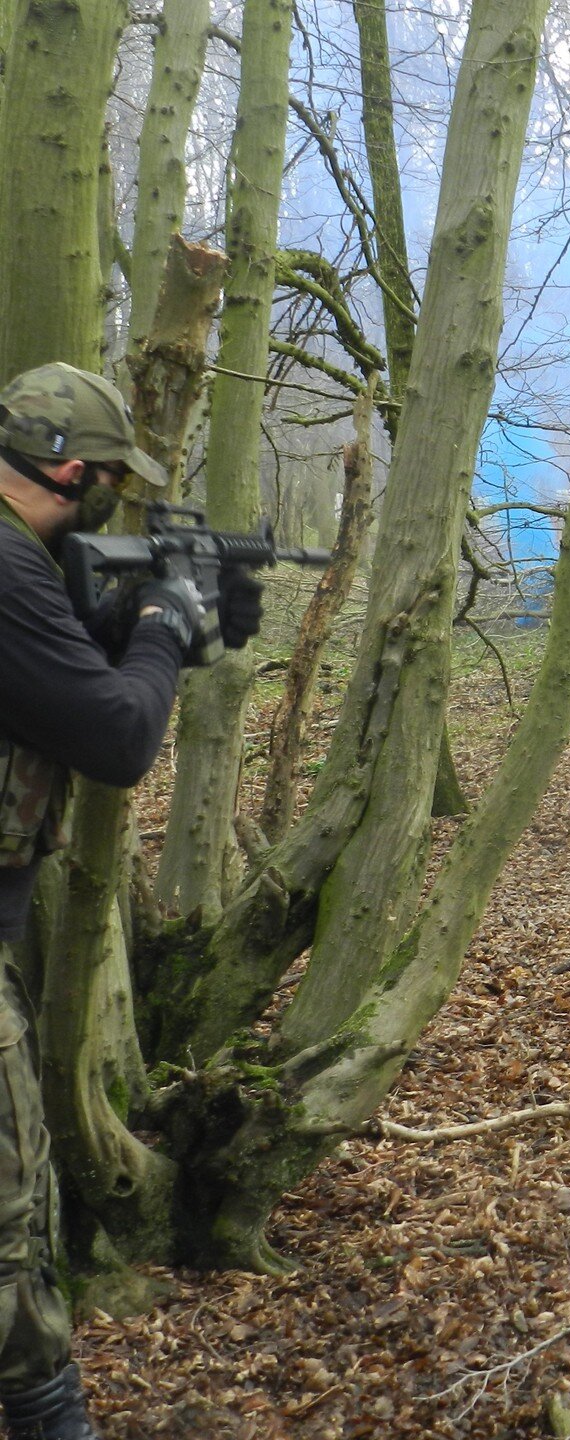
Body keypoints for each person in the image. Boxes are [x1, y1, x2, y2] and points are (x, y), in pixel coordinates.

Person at [0, 363, 262, 1439]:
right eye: (107, 476)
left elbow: (57, 669)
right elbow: (113, 735)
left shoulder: (26, 567)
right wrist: (159, 621)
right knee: (8, 1208)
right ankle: (48, 1414)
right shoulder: (8, 571)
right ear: (69, 468)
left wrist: (188, 617)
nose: (111, 492)